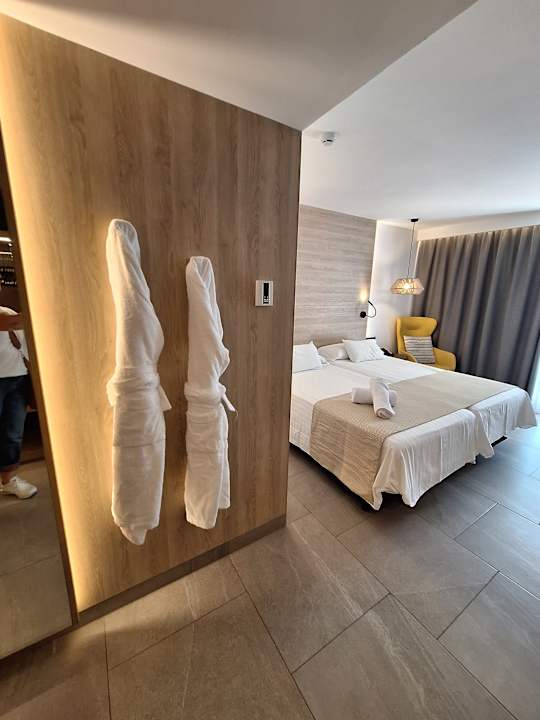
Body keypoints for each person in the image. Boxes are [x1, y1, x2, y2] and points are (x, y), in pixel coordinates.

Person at [0, 307, 37, 498]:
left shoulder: (7, 311)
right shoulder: (8, 316)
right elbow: (11, 322)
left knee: (12, 433)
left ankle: (9, 480)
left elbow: (25, 346)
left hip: (16, 379)